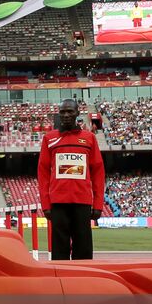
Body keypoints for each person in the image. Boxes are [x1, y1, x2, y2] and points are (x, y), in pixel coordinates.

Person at [37, 98, 106, 260]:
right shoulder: (50, 138)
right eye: (63, 112)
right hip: (58, 203)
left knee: (83, 248)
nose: (66, 115)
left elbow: (98, 172)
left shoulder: (89, 138)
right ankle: (60, 282)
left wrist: (98, 204)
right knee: (59, 249)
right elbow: (43, 173)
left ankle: (83, 282)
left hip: (82, 201)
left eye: (70, 111)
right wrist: (46, 204)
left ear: (77, 113)